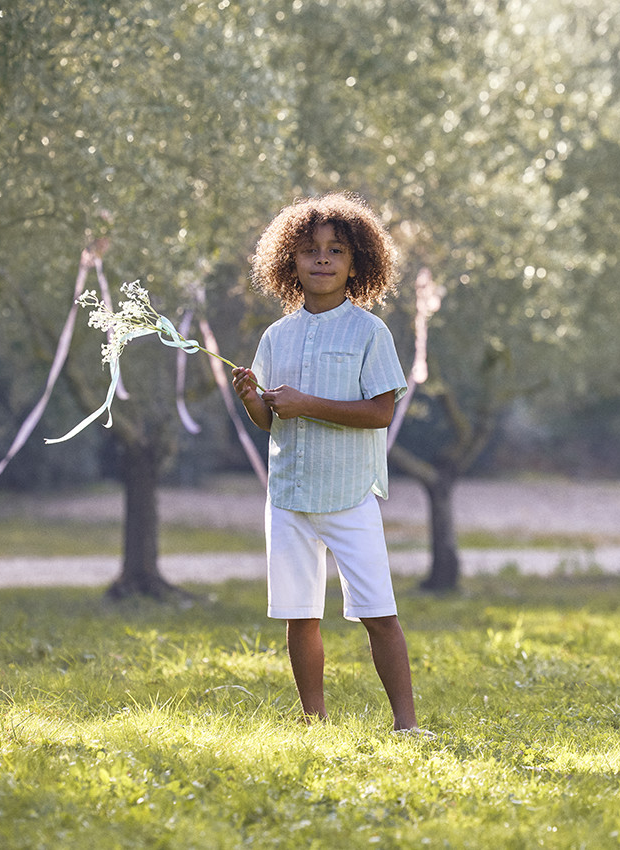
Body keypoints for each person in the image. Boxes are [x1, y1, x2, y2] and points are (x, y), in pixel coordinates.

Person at [232, 192, 425, 733]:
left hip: (350, 495)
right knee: (301, 614)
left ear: (355, 262)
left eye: (335, 250)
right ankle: (314, 722)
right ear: (288, 261)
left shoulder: (370, 332)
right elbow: (273, 422)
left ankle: (407, 726)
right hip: (289, 496)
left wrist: (305, 404)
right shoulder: (276, 336)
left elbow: (381, 412)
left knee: (379, 614)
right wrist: (253, 400)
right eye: (310, 250)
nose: (322, 259)